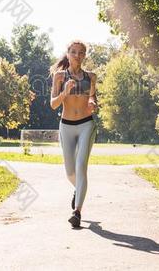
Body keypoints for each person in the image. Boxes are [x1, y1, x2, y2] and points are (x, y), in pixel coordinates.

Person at [49, 40, 98, 228]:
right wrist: (64, 93)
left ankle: (77, 212)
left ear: (85, 55)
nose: (78, 55)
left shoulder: (91, 76)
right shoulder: (60, 76)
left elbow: (93, 98)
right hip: (66, 126)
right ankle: (79, 190)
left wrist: (93, 103)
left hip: (86, 124)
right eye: (74, 52)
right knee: (70, 172)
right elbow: (53, 104)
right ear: (68, 54)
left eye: (81, 52)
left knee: (81, 166)